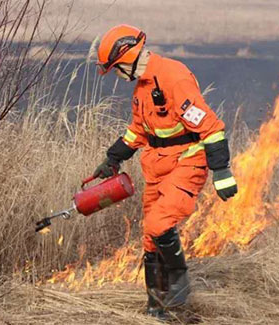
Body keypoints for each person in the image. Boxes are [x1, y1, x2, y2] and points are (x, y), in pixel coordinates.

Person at [93, 24, 238, 319]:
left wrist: (221, 171)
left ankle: (179, 293)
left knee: (159, 223)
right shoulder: (141, 89)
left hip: (187, 162)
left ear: (128, 58)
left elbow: (210, 128)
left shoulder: (174, 78)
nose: (118, 76)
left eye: (117, 69)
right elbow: (137, 131)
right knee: (149, 236)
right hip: (157, 167)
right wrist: (113, 158)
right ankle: (156, 308)